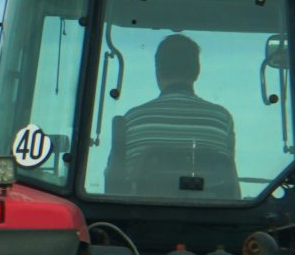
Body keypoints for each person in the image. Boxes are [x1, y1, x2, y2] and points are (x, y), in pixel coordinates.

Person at [102, 33, 238, 196]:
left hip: (140, 216)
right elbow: (229, 180)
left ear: (158, 72)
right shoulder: (221, 119)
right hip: (210, 217)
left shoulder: (133, 119)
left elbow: (113, 182)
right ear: (197, 72)